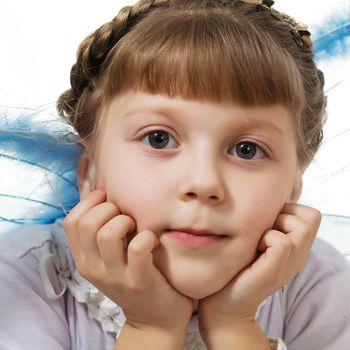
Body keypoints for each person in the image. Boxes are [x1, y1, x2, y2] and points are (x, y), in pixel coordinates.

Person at [0, 0, 349, 349]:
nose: (203, 183)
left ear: (292, 188)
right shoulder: (23, 279)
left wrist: (233, 325)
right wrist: (152, 328)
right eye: (158, 139)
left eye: (247, 149)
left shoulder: (321, 287)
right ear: (90, 172)